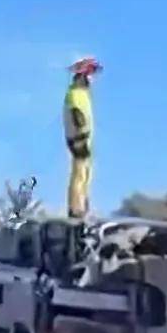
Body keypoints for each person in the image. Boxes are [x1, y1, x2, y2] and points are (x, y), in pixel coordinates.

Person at [63, 57, 101, 220]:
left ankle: (82, 205)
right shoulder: (76, 93)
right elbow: (76, 113)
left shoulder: (83, 94)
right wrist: (79, 135)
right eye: (90, 74)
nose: (92, 79)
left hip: (84, 138)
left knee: (85, 173)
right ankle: (75, 208)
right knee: (79, 174)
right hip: (79, 137)